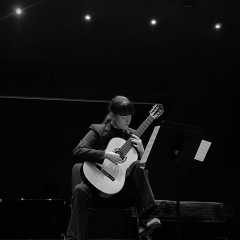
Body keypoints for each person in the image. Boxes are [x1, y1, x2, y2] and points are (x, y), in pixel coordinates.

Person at [66, 95, 161, 240]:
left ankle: (147, 219)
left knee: (137, 165)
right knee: (79, 190)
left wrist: (142, 151)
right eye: (123, 117)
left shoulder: (133, 136)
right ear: (113, 115)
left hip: (121, 191)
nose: (128, 120)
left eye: (129, 117)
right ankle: (74, 238)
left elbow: (144, 171)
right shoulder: (98, 130)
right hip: (96, 189)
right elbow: (78, 151)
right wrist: (105, 155)